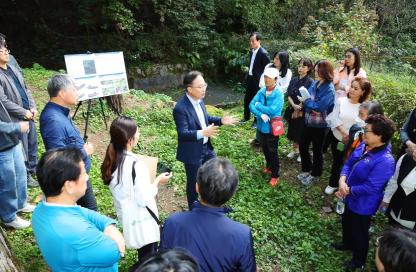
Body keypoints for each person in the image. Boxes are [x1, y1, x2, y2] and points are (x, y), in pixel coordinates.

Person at [32, 147, 124, 271]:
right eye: (84, 173)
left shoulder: (41, 209)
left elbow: (83, 211)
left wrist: (108, 225)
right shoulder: (78, 232)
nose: (87, 177)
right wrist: (115, 234)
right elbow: (115, 252)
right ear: (69, 186)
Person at [160, 158, 256, 272]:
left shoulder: (173, 222)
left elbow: (162, 263)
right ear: (232, 193)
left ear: (197, 187)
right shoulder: (242, 234)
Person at [101, 116, 172, 266]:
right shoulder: (136, 165)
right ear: (129, 139)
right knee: (148, 256)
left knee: (144, 252)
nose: (139, 134)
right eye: (137, 131)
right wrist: (158, 180)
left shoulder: (113, 159)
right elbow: (144, 198)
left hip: (127, 216)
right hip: (142, 220)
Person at [334, 114, 396, 271]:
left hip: (363, 204)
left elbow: (372, 187)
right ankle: (347, 243)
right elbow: (349, 163)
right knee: (347, 220)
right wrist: (342, 180)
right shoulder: (363, 144)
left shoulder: (385, 160)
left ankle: (358, 260)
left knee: (360, 231)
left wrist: (347, 190)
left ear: (379, 136)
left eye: (367, 130)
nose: (363, 133)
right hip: (348, 194)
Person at [173, 71, 237, 209]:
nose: (204, 89)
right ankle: (193, 210)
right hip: (192, 151)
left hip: (207, 148)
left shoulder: (199, 100)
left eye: (205, 85)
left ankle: (215, 205)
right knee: (193, 182)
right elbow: (182, 133)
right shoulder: (180, 108)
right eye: (200, 87)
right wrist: (203, 132)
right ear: (189, 89)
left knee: (214, 175)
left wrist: (221, 120)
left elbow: (205, 118)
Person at [40, 74, 97, 210]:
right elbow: (58, 157)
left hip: (78, 174)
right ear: (61, 93)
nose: (77, 92)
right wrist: (84, 152)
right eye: (74, 89)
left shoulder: (61, 113)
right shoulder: (53, 120)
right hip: (72, 178)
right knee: (90, 212)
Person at [0, 37, 38, 187]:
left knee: (32, 142)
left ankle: (32, 169)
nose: (5, 53)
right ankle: (26, 174)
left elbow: (26, 89)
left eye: (6, 50)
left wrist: (32, 107)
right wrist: (23, 112)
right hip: (14, 118)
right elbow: (3, 101)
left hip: (28, 113)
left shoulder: (13, 69)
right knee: (22, 146)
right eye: (1, 51)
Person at [325, 77, 372, 195]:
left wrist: (351, 137)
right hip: (338, 138)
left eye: (356, 88)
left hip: (355, 143)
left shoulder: (364, 108)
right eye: (351, 86)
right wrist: (344, 133)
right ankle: (333, 183)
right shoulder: (341, 101)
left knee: (350, 163)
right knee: (337, 161)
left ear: (363, 92)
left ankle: (346, 187)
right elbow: (333, 117)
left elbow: (364, 125)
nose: (351, 90)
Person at [297, 60, 335, 186]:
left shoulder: (329, 88)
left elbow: (319, 106)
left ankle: (315, 174)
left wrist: (307, 101)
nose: (316, 72)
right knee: (302, 145)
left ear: (325, 72)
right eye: (316, 69)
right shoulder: (316, 83)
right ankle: (307, 170)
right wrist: (307, 101)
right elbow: (310, 99)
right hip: (308, 120)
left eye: (319, 70)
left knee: (317, 150)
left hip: (321, 125)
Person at [0, 99, 34, 229]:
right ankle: (9, 217)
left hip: (12, 141)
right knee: (7, 184)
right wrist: (17, 127)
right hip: (2, 148)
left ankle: (21, 204)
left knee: (20, 175)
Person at [249, 67, 284, 186]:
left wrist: (259, 106)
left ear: (275, 79)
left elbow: (273, 110)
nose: (266, 80)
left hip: (272, 127)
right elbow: (250, 105)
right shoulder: (262, 91)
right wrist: (260, 113)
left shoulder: (278, 93)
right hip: (261, 125)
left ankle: (275, 174)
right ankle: (269, 167)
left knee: (273, 151)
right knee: (264, 147)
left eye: (269, 78)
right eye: (265, 77)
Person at [284, 58, 314, 162]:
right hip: (293, 108)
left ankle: (302, 152)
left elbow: (309, 96)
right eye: (299, 66)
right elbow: (288, 94)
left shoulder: (310, 82)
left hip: (303, 111)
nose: (300, 68)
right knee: (293, 130)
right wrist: (293, 105)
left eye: (303, 66)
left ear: (309, 68)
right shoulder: (294, 80)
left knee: (302, 132)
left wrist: (299, 107)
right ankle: (295, 150)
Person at [381, 147, 416, 230]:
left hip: (412, 221)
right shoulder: (405, 158)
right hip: (395, 210)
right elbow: (394, 180)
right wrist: (386, 200)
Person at [242, 32, 270, 124]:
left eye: (253, 41)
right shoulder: (251, 51)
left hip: (258, 81)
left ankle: (256, 121)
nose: (251, 43)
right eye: (250, 41)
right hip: (250, 79)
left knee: (257, 101)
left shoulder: (263, 53)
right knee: (247, 99)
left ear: (259, 41)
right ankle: (246, 117)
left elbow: (268, 68)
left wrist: (264, 81)